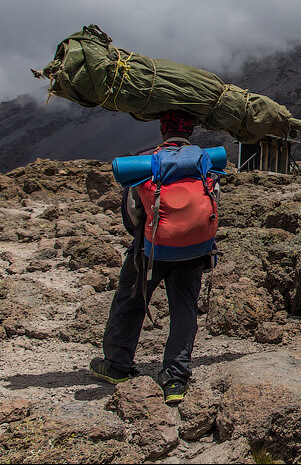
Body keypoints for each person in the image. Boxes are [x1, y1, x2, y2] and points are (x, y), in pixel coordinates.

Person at [89, 111, 219, 406]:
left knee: (130, 301)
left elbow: (132, 212)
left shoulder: (147, 162)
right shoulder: (205, 163)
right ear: (191, 131)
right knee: (184, 310)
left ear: (163, 130)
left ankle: (117, 366)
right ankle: (175, 379)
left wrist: (148, 232)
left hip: (151, 250)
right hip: (195, 250)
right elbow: (214, 200)